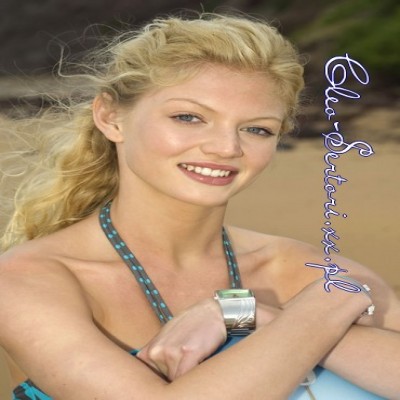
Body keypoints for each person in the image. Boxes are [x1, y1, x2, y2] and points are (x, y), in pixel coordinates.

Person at [0, 12, 399, 400]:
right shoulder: (29, 281)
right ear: (110, 117)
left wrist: (246, 313)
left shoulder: (300, 270)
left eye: (256, 129)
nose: (226, 147)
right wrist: (321, 311)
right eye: (189, 117)